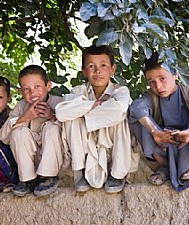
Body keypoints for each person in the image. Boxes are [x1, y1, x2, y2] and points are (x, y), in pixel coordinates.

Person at [128, 52, 189, 192]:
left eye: (162, 78)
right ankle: (166, 167)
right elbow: (137, 107)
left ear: (175, 75)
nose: (158, 86)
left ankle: (186, 165)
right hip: (166, 147)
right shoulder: (152, 97)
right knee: (137, 117)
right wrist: (156, 132)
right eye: (152, 82)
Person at [55, 45, 133, 194]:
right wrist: (94, 105)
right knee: (71, 119)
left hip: (111, 143)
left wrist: (84, 113)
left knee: (121, 116)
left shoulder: (120, 91)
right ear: (84, 71)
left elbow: (118, 111)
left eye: (103, 65)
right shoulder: (78, 91)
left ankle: (117, 175)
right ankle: (81, 171)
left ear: (112, 69)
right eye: (91, 66)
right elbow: (60, 112)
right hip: (85, 144)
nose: (98, 71)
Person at [0, 65, 67, 197]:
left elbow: (71, 132)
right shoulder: (21, 106)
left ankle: (48, 176)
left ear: (48, 86)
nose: (32, 93)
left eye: (37, 87)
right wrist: (25, 117)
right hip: (32, 161)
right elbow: (3, 137)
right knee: (19, 132)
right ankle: (27, 179)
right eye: (26, 89)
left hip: (56, 161)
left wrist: (52, 115)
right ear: (20, 91)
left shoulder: (60, 102)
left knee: (52, 127)